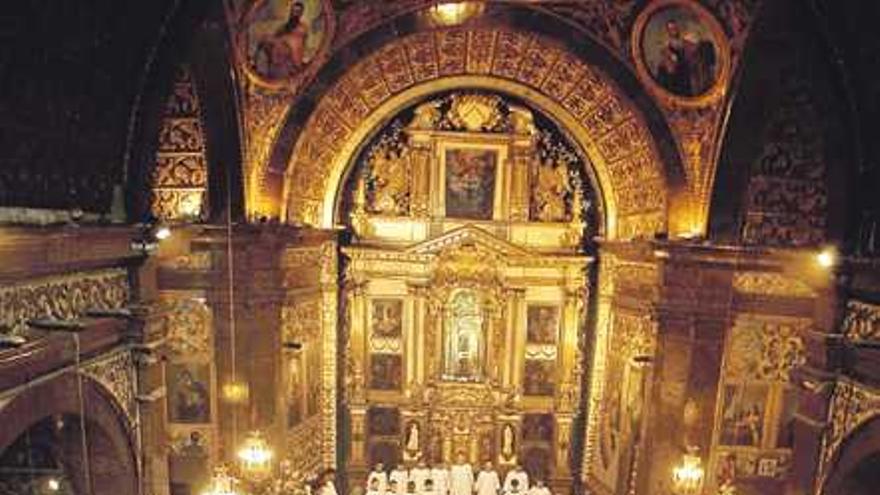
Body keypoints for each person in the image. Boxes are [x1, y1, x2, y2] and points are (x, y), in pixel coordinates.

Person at [258, 1, 309, 79]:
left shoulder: (302, 29)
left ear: (301, 14)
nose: (294, 14)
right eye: (293, 11)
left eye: (297, 12)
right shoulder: (283, 27)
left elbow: (294, 42)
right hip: (280, 60)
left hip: (292, 62)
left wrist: (280, 41)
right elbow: (275, 38)